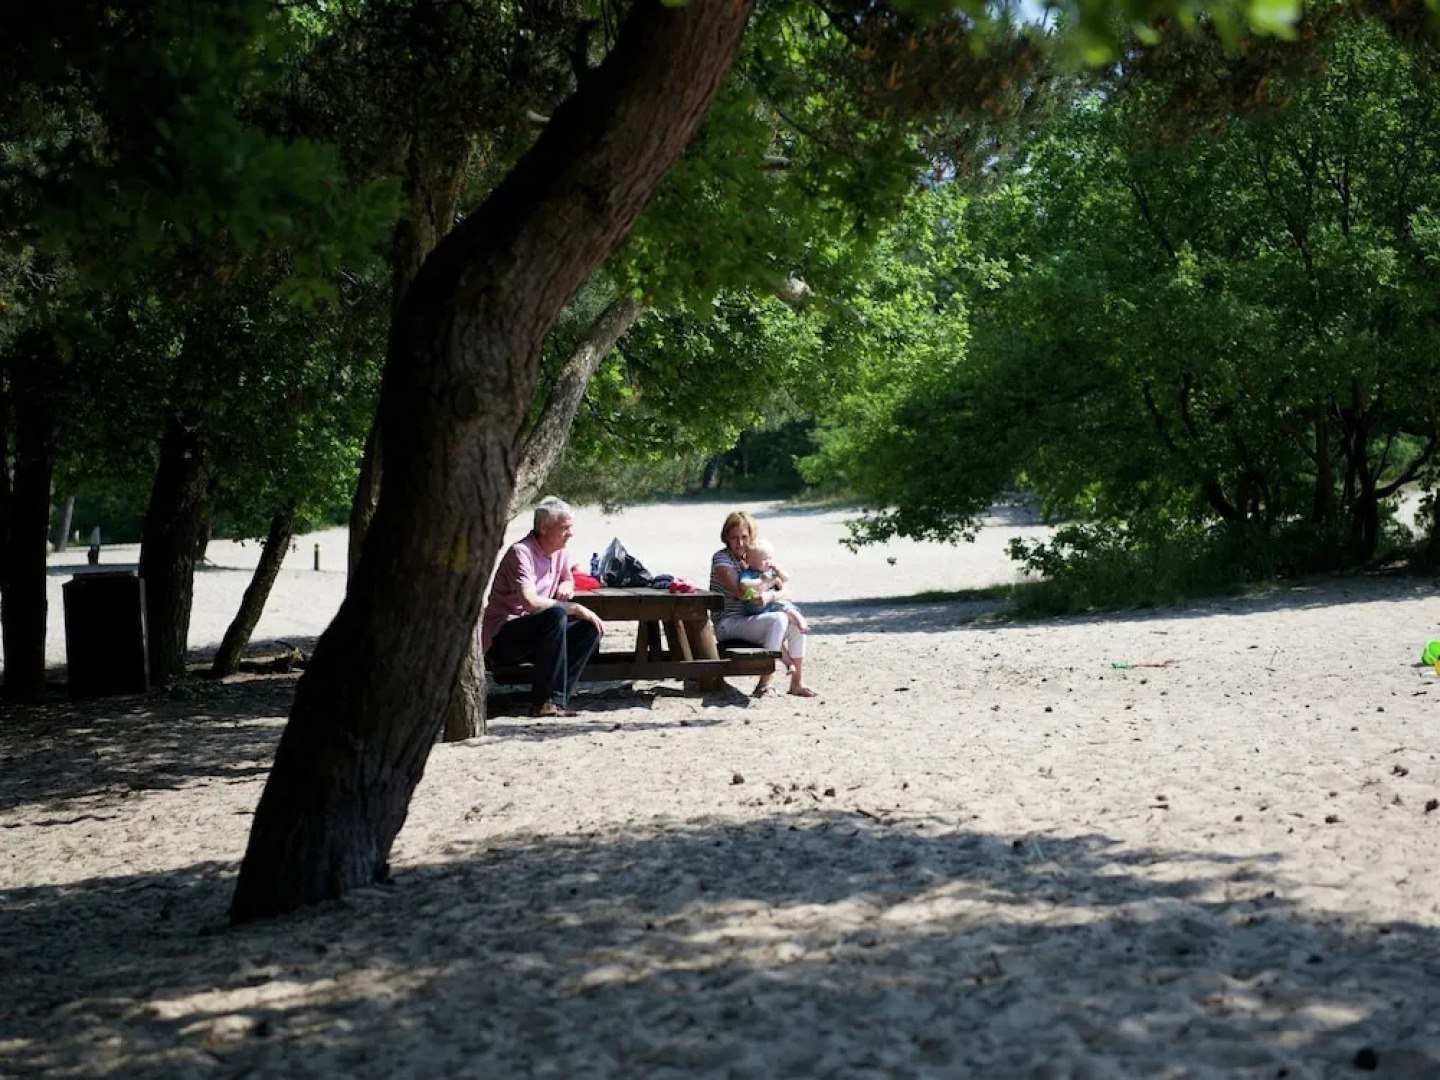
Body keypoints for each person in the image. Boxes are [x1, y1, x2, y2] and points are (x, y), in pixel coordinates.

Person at [482, 496, 606, 717]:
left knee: (589, 628)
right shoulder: (521, 552)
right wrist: (574, 608)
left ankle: (556, 701)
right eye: (565, 528)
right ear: (543, 528)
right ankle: (544, 702)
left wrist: (567, 585)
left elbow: (568, 577)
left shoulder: (561, 552)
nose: (571, 534)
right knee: (556, 615)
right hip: (503, 637)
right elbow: (530, 602)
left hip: (541, 636)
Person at [710, 510, 815, 698]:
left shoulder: (757, 559)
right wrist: (768, 583)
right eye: (734, 538)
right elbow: (743, 593)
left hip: (753, 618)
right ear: (726, 537)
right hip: (728, 622)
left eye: (744, 537)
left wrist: (771, 595)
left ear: (751, 537)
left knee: (796, 623)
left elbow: (786, 590)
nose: (740, 543)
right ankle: (765, 683)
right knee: (778, 619)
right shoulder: (722, 559)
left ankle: (797, 682)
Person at [739, 538, 810, 635]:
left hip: (770, 605)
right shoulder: (749, 573)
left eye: (770, 558)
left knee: (786, 606)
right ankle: (799, 622)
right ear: (750, 561)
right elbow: (743, 584)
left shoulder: (769, 572)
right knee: (781, 609)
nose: (768, 562)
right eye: (764, 559)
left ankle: (801, 622)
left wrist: (778, 571)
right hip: (755, 607)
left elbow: (785, 579)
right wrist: (760, 581)